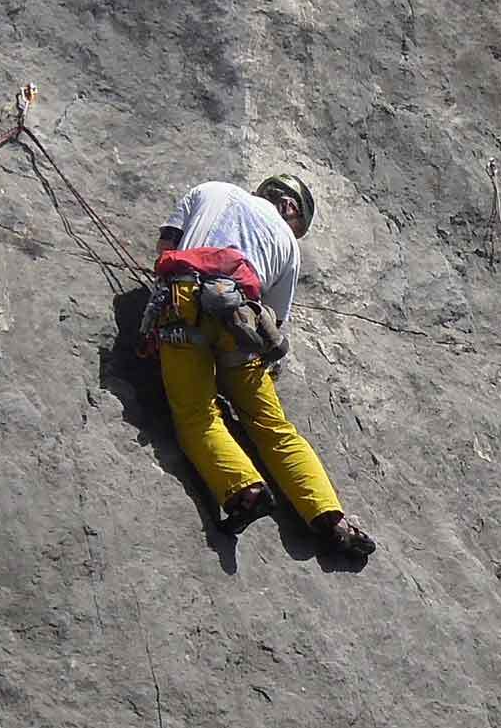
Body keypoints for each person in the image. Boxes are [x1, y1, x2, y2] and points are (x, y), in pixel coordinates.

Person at [149, 174, 375, 556]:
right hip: (243, 324)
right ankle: (329, 516)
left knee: (198, 417)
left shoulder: (211, 190)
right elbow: (274, 319)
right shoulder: (287, 244)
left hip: (184, 302)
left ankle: (245, 490)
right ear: (291, 210)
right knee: (274, 429)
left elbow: (165, 246)